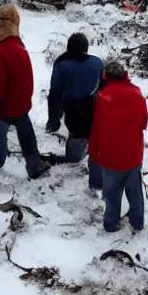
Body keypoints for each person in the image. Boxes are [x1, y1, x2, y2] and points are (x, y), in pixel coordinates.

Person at [0, 5, 47, 180]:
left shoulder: (1, 51)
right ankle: (34, 167)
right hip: (21, 104)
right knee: (27, 138)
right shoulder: (20, 47)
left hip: (3, 108)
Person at [89, 61, 148, 232]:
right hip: (133, 153)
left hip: (112, 155)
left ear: (106, 76)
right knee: (135, 192)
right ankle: (138, 222)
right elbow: (144, 121)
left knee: (112, 193)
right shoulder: (136, 92)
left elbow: (98, 125)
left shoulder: (103, 96)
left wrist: (95, 151)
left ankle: (111, 223)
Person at [46, 33, 104, 190]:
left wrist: (53, 119)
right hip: (96, 110)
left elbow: (55, 94)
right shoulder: (97, 62)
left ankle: (75, 164)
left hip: (75, 113)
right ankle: (97, 180)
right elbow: (104, 86)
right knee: (96, 143)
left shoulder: (63, 66)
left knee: (74, 157)